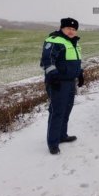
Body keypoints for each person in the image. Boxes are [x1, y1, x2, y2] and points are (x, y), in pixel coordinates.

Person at [40, 17, 84, 155]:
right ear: (62, 28)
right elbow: (47, 61)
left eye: (74, 29)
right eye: (68, 28)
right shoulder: (54, 41)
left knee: (66, 110)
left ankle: (62, 135)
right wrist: (53, 78)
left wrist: (80, 74)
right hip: (58, 83)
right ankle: (53, 143)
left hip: (70, 82)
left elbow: (76, 62)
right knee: (57, 112)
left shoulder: (74, 43)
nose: (71, 31)